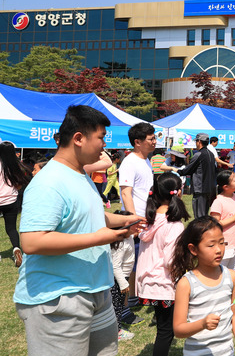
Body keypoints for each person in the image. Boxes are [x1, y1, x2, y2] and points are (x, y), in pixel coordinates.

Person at [14, 105, 143, 355]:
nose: (104, 145)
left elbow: (87, 213)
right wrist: (97, 238)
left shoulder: (79, 173)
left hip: (96, 292)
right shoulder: (49, 182)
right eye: (101, 138)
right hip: (59, 300)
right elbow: (32, 241)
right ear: (78, 139)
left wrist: (122, 221)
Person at [172, 216, 235, 356]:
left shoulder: (232, 277)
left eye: (222, 243)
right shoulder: (186, 284)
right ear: (193, 249)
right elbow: (178, 329)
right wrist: (202, 324)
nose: (219, 250)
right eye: (211, 245)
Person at [136, 172, 190, 356]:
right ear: (179, 192)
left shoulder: (149, 221)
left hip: (148, 282)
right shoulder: (174, 225)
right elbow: (170, 261)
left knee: (163, 328)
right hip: (164, 283)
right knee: (166, 332)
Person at [209, 170, 235, 271]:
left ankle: (231, 286)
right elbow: (216, 224)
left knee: (233, 270)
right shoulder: (218, 201)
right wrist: (234, 218)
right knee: (221, 270)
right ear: (225, 187)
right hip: (224, 243)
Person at [0, 141, 31, 267]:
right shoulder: (16, 165)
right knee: (11, 228)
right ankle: (16, 248)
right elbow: (19, 185)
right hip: (11, 201)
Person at [110, 209, 137, 341]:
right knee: (116, 306)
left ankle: (117, 328)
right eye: (133, 224)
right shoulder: (120, 243)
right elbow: (115, 266)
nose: (136, 226)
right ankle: (116, 332)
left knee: (119, 304)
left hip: (123, 278)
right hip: (118, 280)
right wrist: (123, 283)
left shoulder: (129, 237)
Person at [119, 122, 156, 217]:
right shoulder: (129, 162)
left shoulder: (146, 160)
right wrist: (134, 219)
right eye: (151, 139)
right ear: (137, 142)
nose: (155, 142)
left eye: (154, 138)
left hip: (148, 216)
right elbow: (125, 193)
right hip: (138, 218)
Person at [178, 133, 217, 219]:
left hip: (200, 188)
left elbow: (188, 170)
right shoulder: (211, 154)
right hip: (210, 188)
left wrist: (177, 171)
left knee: (199, 216)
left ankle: (201, 231)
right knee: (205, 214)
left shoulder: (198, 155)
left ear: (199, 142)